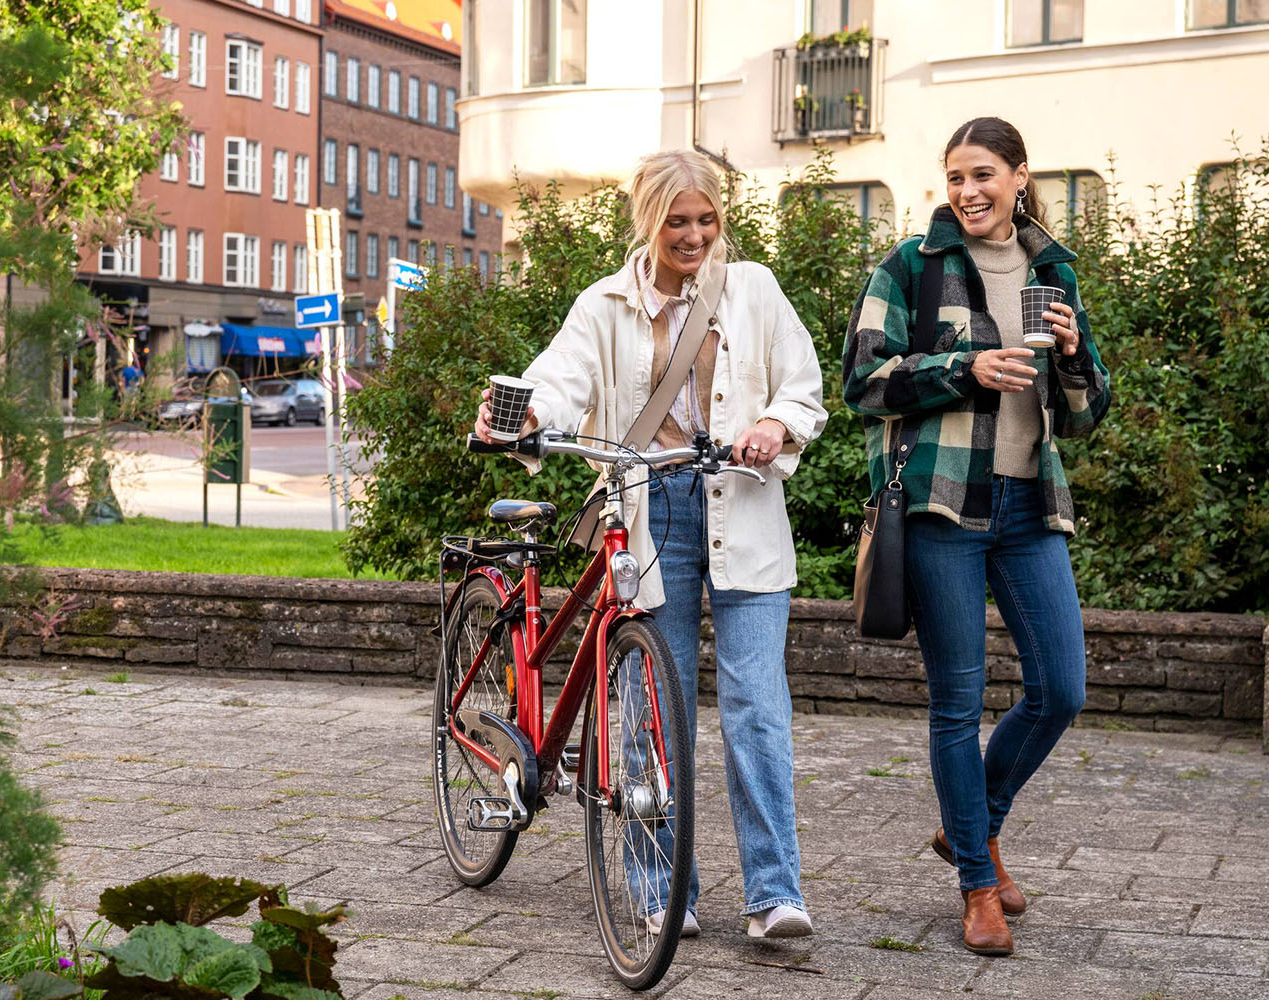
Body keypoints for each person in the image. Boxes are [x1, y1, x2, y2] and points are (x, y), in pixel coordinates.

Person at [474, 149, 827, 939]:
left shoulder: (754, 290)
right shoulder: (603, 305)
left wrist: (776, 423)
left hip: (744, 503)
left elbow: (802, 384)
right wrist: (521, 420)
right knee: (648, 708)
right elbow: (559, 381)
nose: (694, 235)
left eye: (706, 219)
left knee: (757, 708)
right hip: (648, 507)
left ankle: (776, 895)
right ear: (648, 220)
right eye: (678, 221)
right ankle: (661, 885)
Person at [842, 117, 1111, 957]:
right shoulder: (910, 267)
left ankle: (973, 829)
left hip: (1031, 506)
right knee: (957, 704)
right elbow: (862, 381)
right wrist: (965, 370)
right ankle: (977, 885)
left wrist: (1071, 356)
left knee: (1061, 688)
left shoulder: (1054, 269)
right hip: (943, 508)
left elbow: (1091, 412)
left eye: (984, 174)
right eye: (955, 175)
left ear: (1020, 176)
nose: (968, 192)